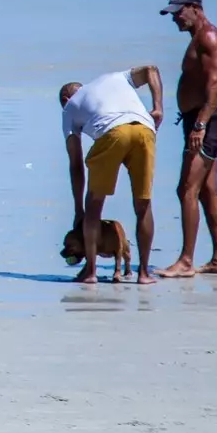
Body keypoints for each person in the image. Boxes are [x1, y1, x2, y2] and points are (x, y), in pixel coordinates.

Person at [59, 66, 164, 285]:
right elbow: (151, 70)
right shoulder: (115, 77)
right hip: (145, 129)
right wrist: (158, 108)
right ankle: (144, 273)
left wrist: (79, 209)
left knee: (94, 205)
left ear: (67, 98)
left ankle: (90, 271)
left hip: (112, 133)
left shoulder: (69, 107)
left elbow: (75, 164)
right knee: (143, 204)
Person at [157, 0, 217, 278]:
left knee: (186, 189)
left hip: (206, 123)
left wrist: (200, 124)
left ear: (195, 8)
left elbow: (216, 84)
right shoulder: (197, 39)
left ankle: (186, 261)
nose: (174, 18)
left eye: (178, 12)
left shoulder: (211, 38)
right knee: (207, 191)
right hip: (197, 120)